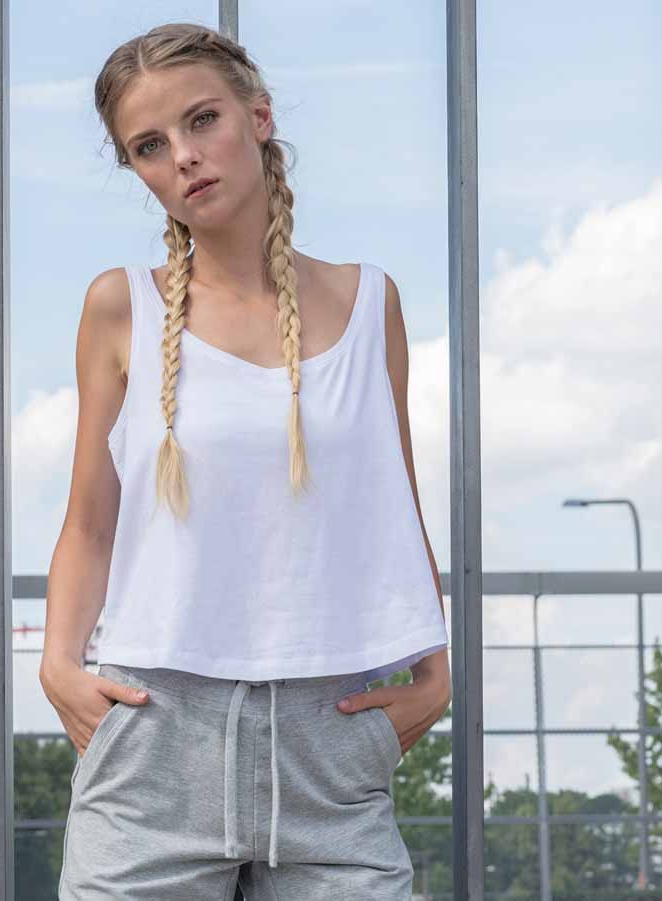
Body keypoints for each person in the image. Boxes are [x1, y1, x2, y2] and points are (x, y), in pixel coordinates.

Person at [39, 21, 452, 900]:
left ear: (258, 117)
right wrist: (59, 666)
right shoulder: (120, 307)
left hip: (330, 743)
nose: (183, 157)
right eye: (150, 146)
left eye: (202, 120)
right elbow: (90, 520)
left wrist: (434, 671)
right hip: (153, 742)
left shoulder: (370, 302)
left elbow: (394, 504)